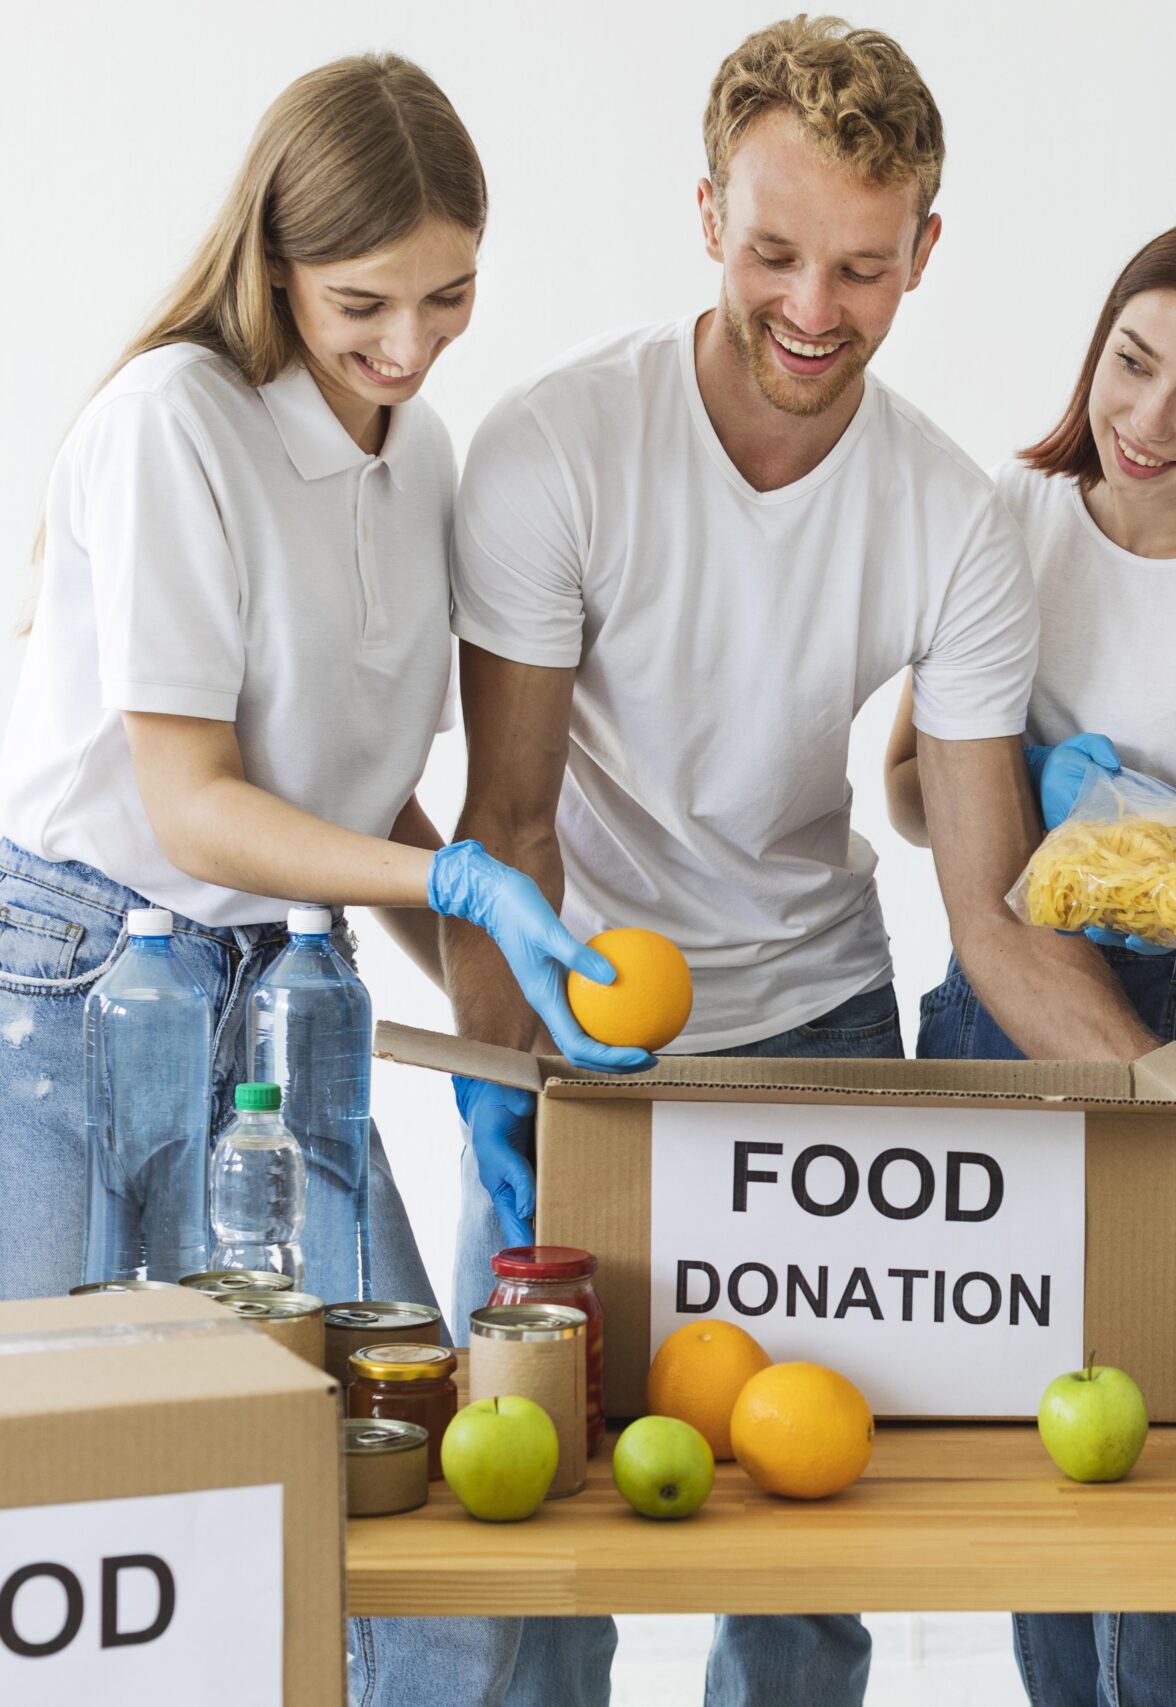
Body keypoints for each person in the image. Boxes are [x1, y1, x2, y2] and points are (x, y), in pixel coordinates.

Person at [437, 18, 1160, 1707]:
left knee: (806, 1537)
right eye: (773, 254)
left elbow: (986, 911)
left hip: (817, 1023)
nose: (815, 311)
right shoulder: (559, 451)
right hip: (583, 1004)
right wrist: (516, 1080)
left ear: (925, 248)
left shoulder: (951, 515)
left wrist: (1165, 1110)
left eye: (860, 264)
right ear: (706, 219)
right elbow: (509, 827)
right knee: (532, 1536)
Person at [0, 51, 633, 1707]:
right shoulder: (171, 427)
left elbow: (343, 795)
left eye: (452, 296)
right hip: (71, 988)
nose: (412, 346)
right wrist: (464, 887)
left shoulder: (414, 455)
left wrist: (511, 1007)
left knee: (397, 1462)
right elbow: (195, 804)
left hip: (282, 987)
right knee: (67, 1514)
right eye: (366, 301)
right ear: (272, 259)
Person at [882, 208, 1176, 1707]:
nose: (1148, 422)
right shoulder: (1003, 521)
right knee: (1041, 1493)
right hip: (1009, 1007)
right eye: (1131, 364)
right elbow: (906, 791)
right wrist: (1029, 796)